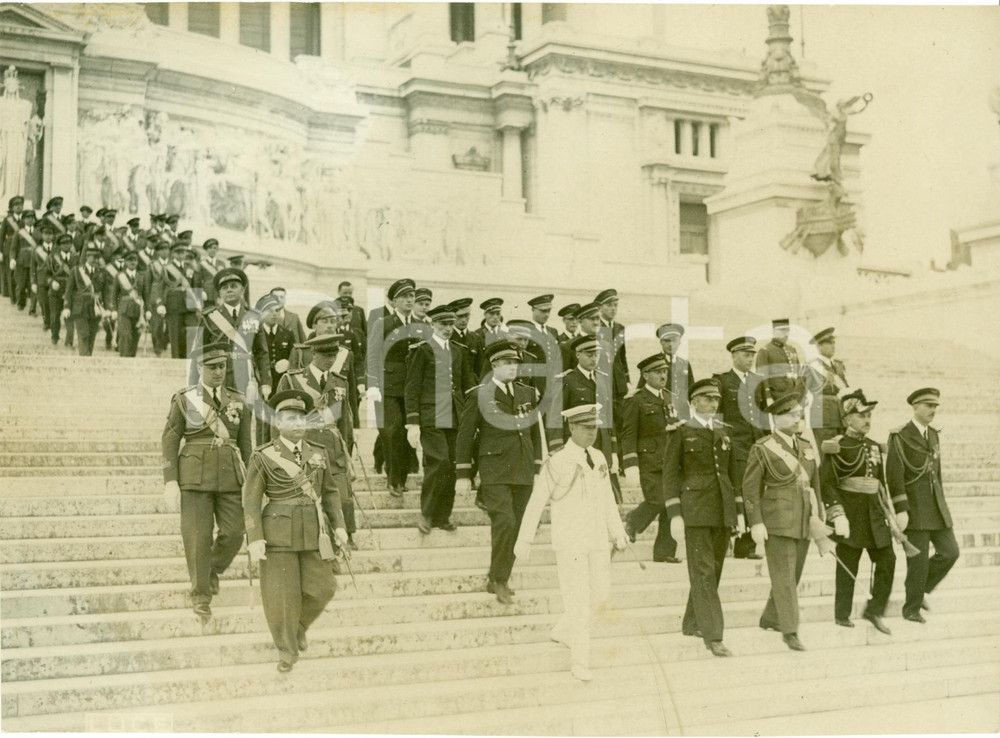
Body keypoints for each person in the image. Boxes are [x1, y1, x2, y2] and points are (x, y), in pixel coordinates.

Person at [514, 404, 628, 682]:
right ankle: (580, 661)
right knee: (578, 600)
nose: (592, 433)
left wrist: (618, 531)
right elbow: (537, 500)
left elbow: (607, 500)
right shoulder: (558, 461)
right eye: (586, 428)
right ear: (572, 428)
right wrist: (525, 538)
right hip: (571, 542)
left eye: (594, 428)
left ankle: (563, 631)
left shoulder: (599, 457)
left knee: (600, 595)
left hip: (597, 540)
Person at [244, 389, 348, 672]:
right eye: (291, 418)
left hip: (314, 533)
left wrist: (339, 525)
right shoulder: (263, 456)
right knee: (282, 597)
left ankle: (298, 627)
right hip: (278, 533)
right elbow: (251, 501)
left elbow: (330, 494)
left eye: (302, 418)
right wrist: (255, 538)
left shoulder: (318, 452)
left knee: (324, 588)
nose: (298, 423)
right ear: (278, 423)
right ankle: (286, 651)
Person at [161, 341, 252, 622]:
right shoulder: (185, 399)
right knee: (198, 539)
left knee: (235, 533)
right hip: (194, 477)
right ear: (200, 368)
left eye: (222, 366)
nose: (218, 372)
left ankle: (209, 569)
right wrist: (170, 481)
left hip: (230, 477)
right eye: (212, 367)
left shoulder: (237, 400)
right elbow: (170, 439)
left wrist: (252, 481)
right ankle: (201, 596)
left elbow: (246, 444)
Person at [456, 341, 544, 605]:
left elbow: (533, 430)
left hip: (524, 466)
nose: (512, 367)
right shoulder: (480, 394)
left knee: (519, 525)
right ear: (494, 365)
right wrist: (463, 473)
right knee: (504, 521)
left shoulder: (527, 392)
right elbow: (465, 435)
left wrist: (538, 465)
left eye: (515, 363)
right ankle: (499, 579)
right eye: (507, 363)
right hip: (494, 468)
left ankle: (500, 575)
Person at [663, 379, 743, 657]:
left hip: (721, 512)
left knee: (714, 571)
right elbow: (671, 475)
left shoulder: (724, 432)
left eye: (716, 399)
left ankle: (692, 622)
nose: (712, 404)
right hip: (695, 511)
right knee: (704, 573)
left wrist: (739, 512)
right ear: (693, 402)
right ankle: (714, 636)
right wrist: (675, 514)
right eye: (707, 399)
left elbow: (732, 476)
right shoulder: (681, 432)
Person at [742, 385, 824, 651]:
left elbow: (815, 484)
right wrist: (755, 521)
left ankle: (770, 617)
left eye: (799, 414)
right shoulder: (763, 448)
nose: (797, 419)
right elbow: (750, 488)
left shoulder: (806, 446)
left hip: (802, 519)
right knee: (784, 577)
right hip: (777, 521)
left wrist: (819, 516)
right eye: (791, 415)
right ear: (776, 419)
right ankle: (790, 630)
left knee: (793, 574)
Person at [819, 389, 900, 634]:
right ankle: (841, 614)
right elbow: (827, 483)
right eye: (862, 415)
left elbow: (881, 483)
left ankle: (874, 610)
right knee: (848, 565)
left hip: (874, 515)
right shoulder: (837, 446)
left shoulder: (874, 446)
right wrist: (837, 514)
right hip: (850, 515)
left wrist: (890, 514)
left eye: (869, 415)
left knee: (888, 560)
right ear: (847, 419)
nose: (867, 420)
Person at [276, 334, 357, 550]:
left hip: (333, 449)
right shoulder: (292, 379)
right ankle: (327, 548)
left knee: (343, 500)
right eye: (325, 355)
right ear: (313, 354)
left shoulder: (340, 382)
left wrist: (347, 455)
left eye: (334, 355)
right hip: (306, 445)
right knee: (313, 501)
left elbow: (345, 424)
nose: (330, 359)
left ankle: (343, 541)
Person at [886, 387, 958, 624]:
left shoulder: (934, 434)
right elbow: (894, 475)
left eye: (935, 406)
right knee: (917, 561)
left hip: (935, 507)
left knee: (950, 552)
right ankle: (911, 608)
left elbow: (936, 473)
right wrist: (901, 509)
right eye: (928, 406)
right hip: (914, 508)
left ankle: (921, 589)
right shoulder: (900, 435)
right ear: (915, 407)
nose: (933, 410)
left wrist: (942, 502)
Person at [405, 304, 476, 534]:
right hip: (431, 416)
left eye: (450, 324)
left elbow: (466, 386)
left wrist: (470, 417)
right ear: (432, 324)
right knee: (439, 462)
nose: (448, 328)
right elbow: (412, 388)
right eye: (443, 324)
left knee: (453, 465)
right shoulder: (422, 350)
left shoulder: (459, 350)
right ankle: (426, 513)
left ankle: (443, 515)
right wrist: (413, 422)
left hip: (455, 415)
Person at [623, 354, 682, 562]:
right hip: (649, 461)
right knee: (657, 499)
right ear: (645, 375)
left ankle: (664, 552)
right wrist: (630, 463)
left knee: (672, 504)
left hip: (670, 461)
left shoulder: (671, 397)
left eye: (664, 371)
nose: (662, 375)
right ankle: (632, 521)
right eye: (658, 372)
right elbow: (628, 434)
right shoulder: (636, 400)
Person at [714, 336, 766, 559]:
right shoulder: (722, 381)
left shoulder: (757, 381)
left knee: (754, 492)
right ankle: (732, 539)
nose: (750, 359)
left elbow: (763, 414)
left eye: (753, 355)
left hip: (756, 445)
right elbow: (717, 416)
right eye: (746, 355)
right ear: (733, 356)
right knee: (737, 492)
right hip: (735, 445)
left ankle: (747, 544)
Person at [367, 278, 419, 497]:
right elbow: (373, 355)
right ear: (394, 300)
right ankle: (393, 479)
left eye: (412, 296)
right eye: (404, 296)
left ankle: (403, 477)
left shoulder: (420, 325)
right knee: (392, 432)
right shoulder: (383, 323)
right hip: (389, 387)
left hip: (412, 388)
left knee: (409, 432)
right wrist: (373, 384)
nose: (410, 300)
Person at [555, 334, 620, 501]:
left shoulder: (604, 379)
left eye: (596, 354)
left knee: (606, 497)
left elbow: (609, 417)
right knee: (578, 495)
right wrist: (556, 447)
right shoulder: (568, 380)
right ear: (578, 355)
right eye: (589, 354)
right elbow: (556, 416)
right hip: (577, 444)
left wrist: (613, 450)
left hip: (602, 443)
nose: (593, 359)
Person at [197, 267, 271, 399]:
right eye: (224, 287)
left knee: (245, 417)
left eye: (233, 286)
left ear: (242, 290)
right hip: (219, 375)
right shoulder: (210, 317)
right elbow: (199, 351)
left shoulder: (253, 316)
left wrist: (265, 383)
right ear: (219, 293)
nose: (229, 289)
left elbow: (262, 353)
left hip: (246, 376)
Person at [153, 243, 202, 359]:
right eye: (178, 253)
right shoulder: (167, 269)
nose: (181, 255)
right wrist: (160, 303)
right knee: (175, 336)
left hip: (190, 305)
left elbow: (196, 285)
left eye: (183, 253)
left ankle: (190, 360)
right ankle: (176, 360)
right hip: (173, 305)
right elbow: (159, 288)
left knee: (192, 331)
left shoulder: (190, 268)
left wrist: (199, 305)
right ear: (173, 254)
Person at [806, 327, 849, 448]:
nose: (833, 346)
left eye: (834, 342)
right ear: (818, 346)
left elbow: (846, 389)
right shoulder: (812, 366)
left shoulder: (839, 365)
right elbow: (803, 392)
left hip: (842, 417)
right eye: (829, 343)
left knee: (843, 453)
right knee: (827, 454)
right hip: (823, 418)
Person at [62, 243, 108, 356]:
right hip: (80, 308)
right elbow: (69, 290)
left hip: (95, 308)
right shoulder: (77, 271)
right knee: (84, 334)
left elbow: (105, 292)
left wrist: (107, 308)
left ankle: (87, 358)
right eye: (93, 257)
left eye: (98, 258)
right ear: (87, 257)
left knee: (92, 335)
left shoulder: (101, 272)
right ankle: (84, 359)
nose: (96, 260)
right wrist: (67, 307)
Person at [107, 248, 145, 357]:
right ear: (125, 262)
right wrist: (114, 310)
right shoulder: (119, 276)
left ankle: (131, 361)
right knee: (126, 336)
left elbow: (146, 295)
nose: (133, 262)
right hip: (124, 309)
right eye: (130, 260)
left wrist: (147, 311)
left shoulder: (141, 277)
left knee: (135, 338)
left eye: (135, 260)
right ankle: (124, 358)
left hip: (138, 311)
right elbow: (114, 295)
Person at [755, 318, 803, 405]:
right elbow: (762, 378)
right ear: (774, 332)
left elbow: (799, 374)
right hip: (778, 398)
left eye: (787, 331)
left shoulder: (792, 349)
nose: (786, 334)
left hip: (795, 397)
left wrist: (802, 395)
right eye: (782, 331)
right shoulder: (765, 351)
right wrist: (768, 397)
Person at [44, 234, 77, 347]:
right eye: (64, 243)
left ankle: (69, 340)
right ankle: (55, 336)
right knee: (55, 315)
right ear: (59, 245)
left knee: (69, 316)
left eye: (68, 243)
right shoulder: (53, 257)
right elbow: (47, 274)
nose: (66, 245)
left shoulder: (75, 258)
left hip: (70, 290)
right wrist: (51, 282)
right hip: (55, 290)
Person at [29, 219, 56, 330]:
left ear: (53, 235)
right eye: (46, 234)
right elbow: (33, 267)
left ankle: (53, 322)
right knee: (43, 302)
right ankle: (46, 322)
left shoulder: (57, 250)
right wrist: (33, 282)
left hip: (54, 280)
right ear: (42, 235)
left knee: (53, 302)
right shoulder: (37, 250)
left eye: (50, 234)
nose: (48, 236)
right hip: (41, 280)